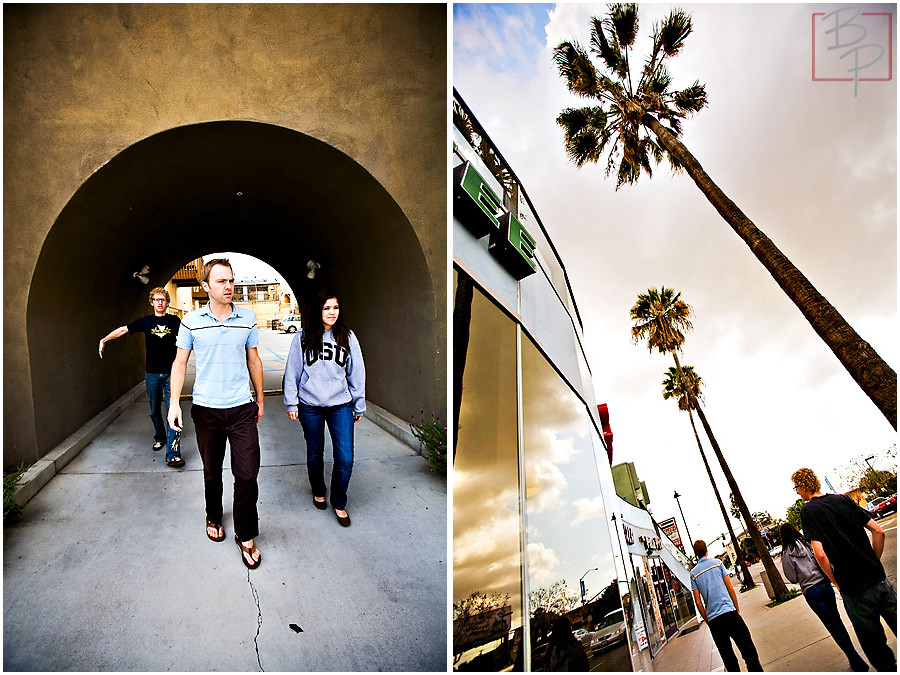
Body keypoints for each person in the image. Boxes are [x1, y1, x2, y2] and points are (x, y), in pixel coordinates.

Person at [168, 259, 265, 570]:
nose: (228, 286)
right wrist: (173, 404)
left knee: (247, 475)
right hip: (207, 410)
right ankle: (213, 514)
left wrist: (260, 399)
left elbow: (254, 360)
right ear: (206, 286)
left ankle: (245, 534)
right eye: (221, 281)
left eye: (231, 280)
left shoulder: (247, 318)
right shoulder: (191, 322)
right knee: (212, 472)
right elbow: (179, 364)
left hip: (240, 408)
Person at [793, 467, 897, 671]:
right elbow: (878, 531)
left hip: (854, 590)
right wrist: (873, 561)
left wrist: (835, 582)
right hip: (880, 580)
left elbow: (820, 554)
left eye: (796, 487)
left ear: (804, 486)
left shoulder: (808, 510)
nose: (796, 492)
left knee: (876, 648)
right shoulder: (842, 499)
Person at [283, 288, 365, 527]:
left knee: (345, 457)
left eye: (336, 308)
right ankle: (318, 489)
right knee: (315, 452)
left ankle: (339, 502)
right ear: (318, 310)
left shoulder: (347, 337)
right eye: (327, 308)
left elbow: (357, 373)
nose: (332, 312)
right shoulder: (302, 337)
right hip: (310, 405)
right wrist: (292, 401)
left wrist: (358, 405)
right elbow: (292, 372)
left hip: (341, 405)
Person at [99, 286, 184, 467]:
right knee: (154, 411)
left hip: (171, 374)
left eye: (163, 300)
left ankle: (173, 453)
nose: (160, 303)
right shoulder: (145, 322)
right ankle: (159, 437)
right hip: (152, 374)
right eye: (157, 300)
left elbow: (189, 335)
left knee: (173, 412)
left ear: (168, 303)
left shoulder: (175, 320)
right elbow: (123, 330)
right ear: (151, 302)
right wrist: (104, 339)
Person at [780, 522, 869, 671]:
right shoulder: (807, 544)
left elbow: (792, 578)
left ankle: (855, 659)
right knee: (838, 620)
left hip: (811, 591)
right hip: (824, 585)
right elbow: (821, 558)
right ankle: (854, 656)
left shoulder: (786, 553)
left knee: (832, 627)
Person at [690, 539, 763, 671]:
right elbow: (730, 588)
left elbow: (698, 602)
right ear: (707, 550)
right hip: (730, 613)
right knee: (748, 651)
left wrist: (707, 620)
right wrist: (736, 609)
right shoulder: (717, 564)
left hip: (714, 621)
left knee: (728, 659)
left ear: (696, 554)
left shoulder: (694, 574)